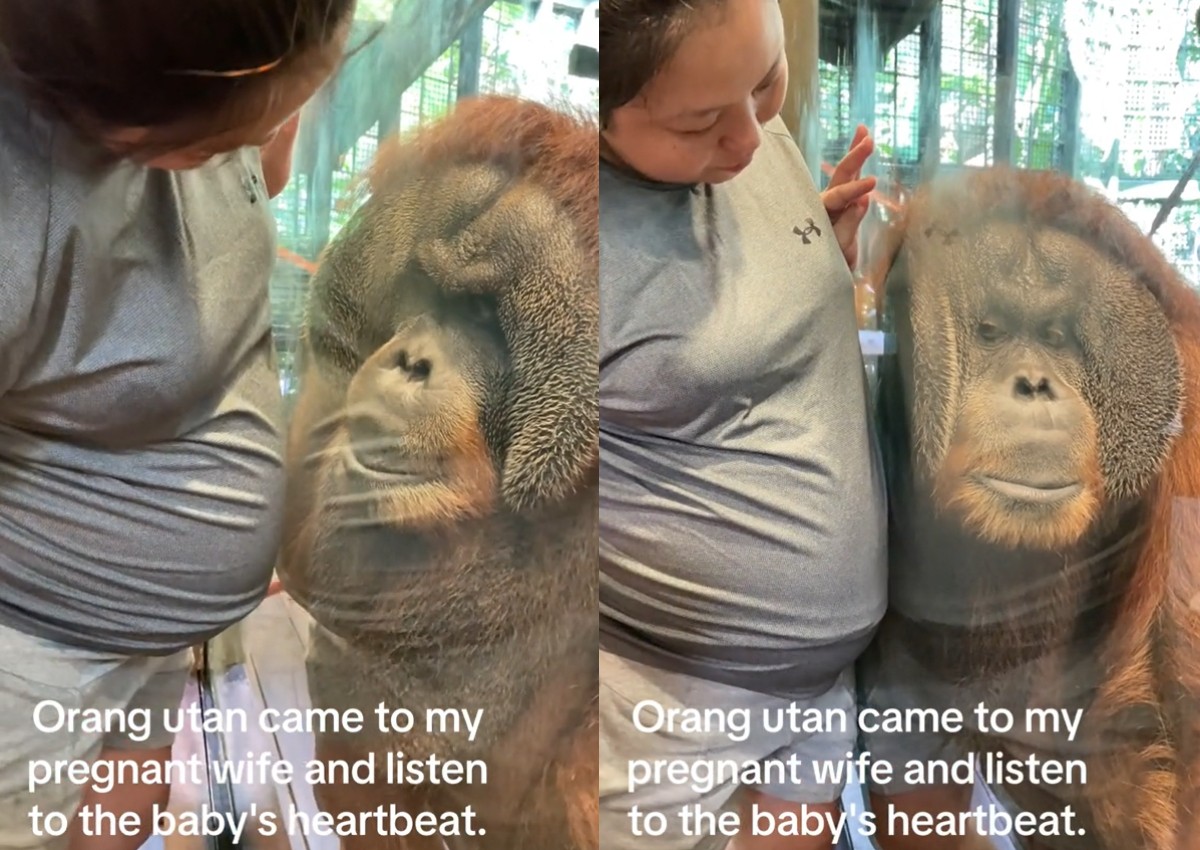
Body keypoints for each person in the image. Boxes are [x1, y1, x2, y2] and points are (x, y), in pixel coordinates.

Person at [0, 1, 355, 847]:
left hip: (145, 638)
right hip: (31, 647)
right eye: (216, 140)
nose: (257, 152)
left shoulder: (201, 94)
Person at [598, 1, 887, 848]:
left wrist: (813, 272)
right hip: (658, 698)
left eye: (765, 79)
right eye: (698, 122)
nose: (752, 141)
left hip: (817, 687)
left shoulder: (750, 133)